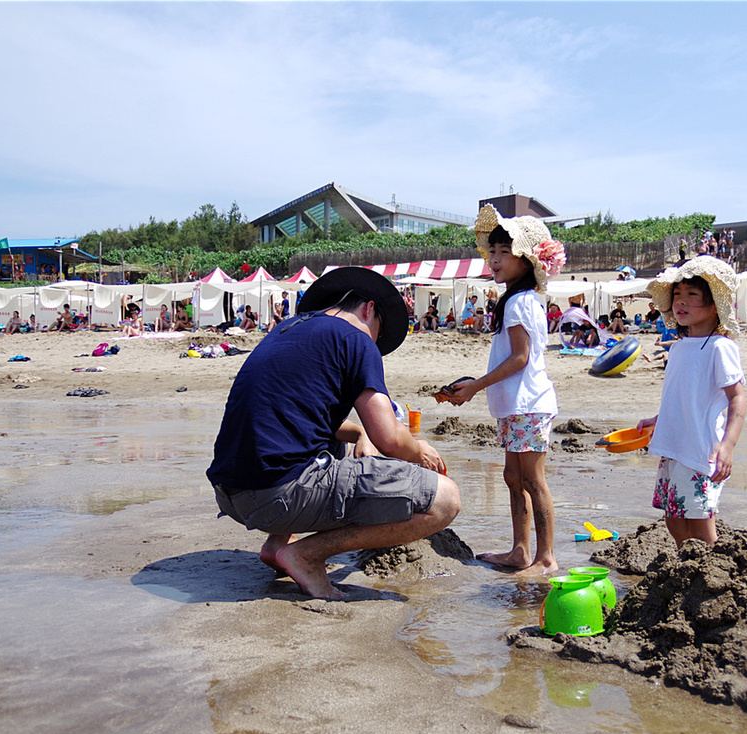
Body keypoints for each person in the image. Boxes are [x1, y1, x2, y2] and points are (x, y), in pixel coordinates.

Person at [207, 267, 459, 600]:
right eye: (378, 333)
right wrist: (419, 450)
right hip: (275, 496)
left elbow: (299, 417)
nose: (374, 343)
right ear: (369, 310)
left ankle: (276, 545)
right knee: (445, 499)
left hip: (232, 493)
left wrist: (357, 435)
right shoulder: (356, 337)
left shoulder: (287, 329)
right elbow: (388, 438)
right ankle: (306, 554)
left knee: (328, 445)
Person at [447, 205, 563, 576]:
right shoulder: (515, 299)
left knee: (532, 479)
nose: (494, 259)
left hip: (529, 404)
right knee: (513, 478)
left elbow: (520, 358)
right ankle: (519, 550)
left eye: (504, 252)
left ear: (527, 261)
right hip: (518, 405)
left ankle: (545, 557)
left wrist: (474, 388)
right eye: (492, 251)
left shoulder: (520, 301)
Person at [636, 256, 746, 548]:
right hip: (674, 444)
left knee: (699, 518)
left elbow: (737, 398)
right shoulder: (680, 346)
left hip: (700, 449)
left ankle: (712, 569)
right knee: (673, 517)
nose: (680, 302)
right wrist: (659, 420)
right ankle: (689, 567)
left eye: (692, 295)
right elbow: (683, 396)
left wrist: (728, 445)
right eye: (677, 295)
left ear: (714, 306)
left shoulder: (720, 347)